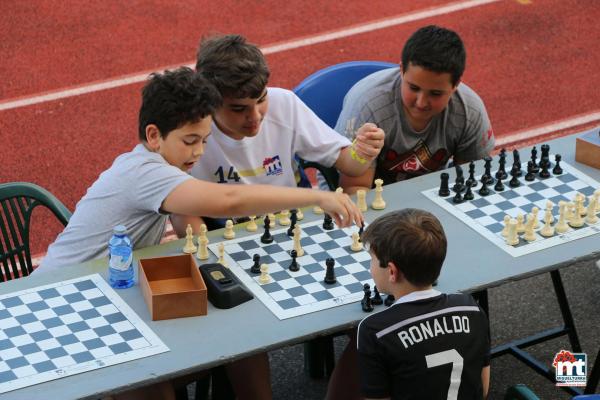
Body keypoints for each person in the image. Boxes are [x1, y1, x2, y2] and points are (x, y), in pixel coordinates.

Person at [37, 67, 363, 400]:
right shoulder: (145, 173)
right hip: (65, 298)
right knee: (151, 382)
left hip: (114, 287)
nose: (198, 152)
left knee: (238, 338)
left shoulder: (153, 166)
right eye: (190, 141)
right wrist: (320, 196)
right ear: (153, 136)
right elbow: (230, 200)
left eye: (205, 141)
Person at [171, 34, 384, 236]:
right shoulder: (188, 131)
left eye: (262, 100)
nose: (255, 116)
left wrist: (361, 153)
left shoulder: (284, 104)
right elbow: (180, 208)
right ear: (210, 102)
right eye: (239, 109)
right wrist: (206, 250)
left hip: (293, 221)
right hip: (223, 230)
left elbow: (350, 165)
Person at [327, 208, 490, 400]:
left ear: (392, 271)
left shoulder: (375, 330)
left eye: (372, 259)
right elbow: (484, 388)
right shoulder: (470, 308)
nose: (370, 265)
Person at [335, 25, 495, 194]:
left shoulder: (470, 111)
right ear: (402, 70)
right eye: (413, 88)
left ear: (455, 85)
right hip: (370, 196)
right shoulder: (369, 106)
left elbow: (471, 179)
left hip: (430, 194)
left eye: (435, 93)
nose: (421, 102)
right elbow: (354, 189)